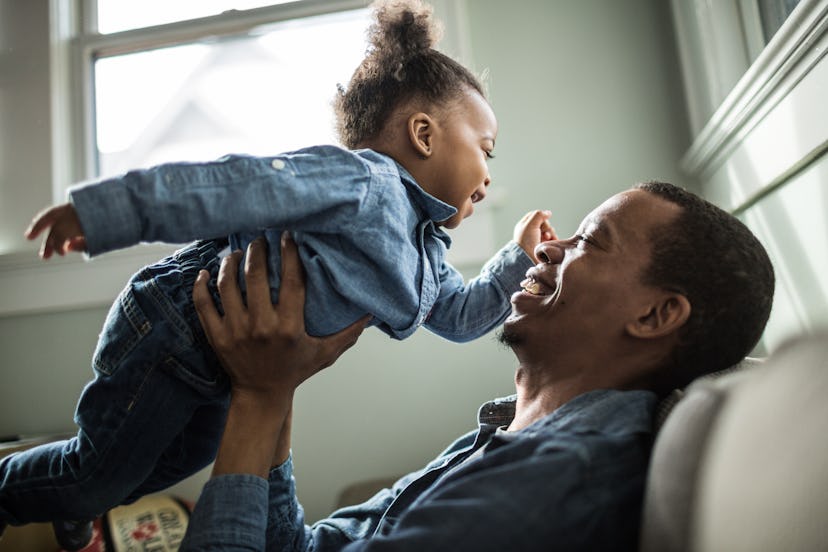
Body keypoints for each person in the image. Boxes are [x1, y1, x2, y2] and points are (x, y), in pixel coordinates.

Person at [1, 1, 553, 549]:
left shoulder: (425, 258)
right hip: (175, 324)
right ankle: (36, 491)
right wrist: (106, 214)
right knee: (100, 470)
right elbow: (234, 186)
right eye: (486, 151)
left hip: (223, 368)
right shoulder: (362, 182)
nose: (486, 178)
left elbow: (460, 319)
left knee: (171, 460)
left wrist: (517, 260)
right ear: (425, 135)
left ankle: (76, 496)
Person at [179, 181, 775, 551]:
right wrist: (275, 386)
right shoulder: (507, 432)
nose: (548, 247)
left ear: (654, 315)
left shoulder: (561, 479)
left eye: (591, 242)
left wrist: (257, 399)